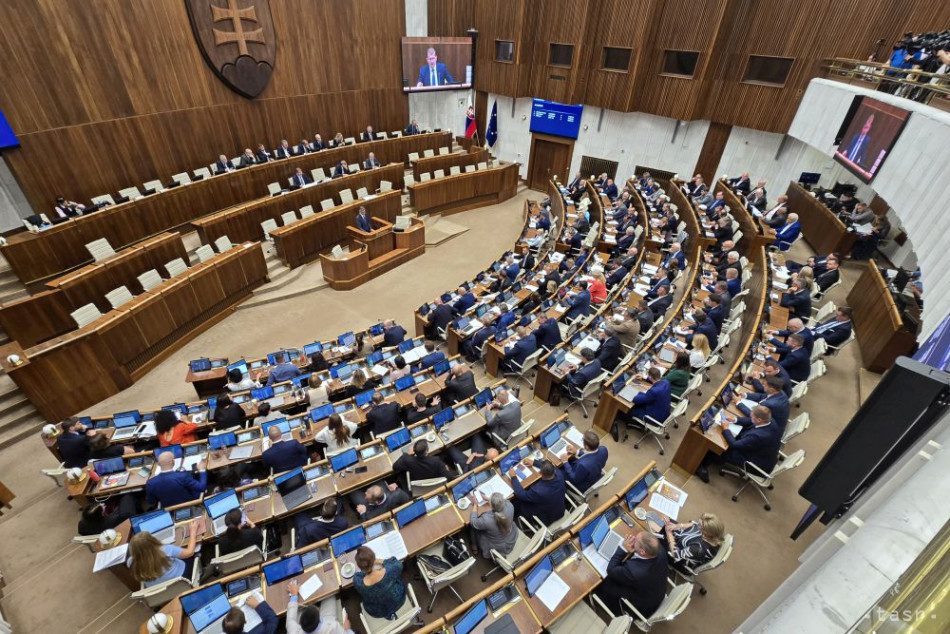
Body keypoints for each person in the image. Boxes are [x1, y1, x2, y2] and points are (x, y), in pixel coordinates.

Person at [696, 405, 781, 483]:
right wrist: (735, 420)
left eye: (752, 416)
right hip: (764, 457)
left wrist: (726, 429)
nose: (750, 416)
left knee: (723, 447)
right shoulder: (770, 420)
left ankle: (702, 467)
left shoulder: (758, 436)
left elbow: (734, 444)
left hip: (755, 464)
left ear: (759, 420)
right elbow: (750, 421)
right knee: (732, 438)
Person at [595, 532, 669, 617]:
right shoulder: (660, 550)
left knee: (603, 583)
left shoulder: (635, 572)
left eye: (635, 540)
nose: (632, 538)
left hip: (643, 606)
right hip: (655, 592)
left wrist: (623, 548)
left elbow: (611, 570)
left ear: (642, 552)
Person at [128, 525, 201, 588]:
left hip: (162, 592)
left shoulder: (131, 563)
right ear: (152, 540)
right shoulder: (165, 550)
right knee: (195, 551)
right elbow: (190, 552)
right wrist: (193, 531)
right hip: (183, 578)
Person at [354, 546, 407, 619]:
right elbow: (397, 563)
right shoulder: (390, 570)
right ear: (374, 558)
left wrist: (366, 568)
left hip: (377, 612)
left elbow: (357, 575)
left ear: (359, 566)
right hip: (398, 600)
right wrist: (379, 561)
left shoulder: (358, 583)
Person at [285, 580, 352, 634]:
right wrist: (346, 629)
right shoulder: (332, 627)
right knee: (330, 595)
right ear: (319, 618)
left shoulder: (293, 631)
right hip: (328, 620)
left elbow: (290, 619)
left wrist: (294, 596)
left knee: (296, 610)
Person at [511, 460, 565, 525]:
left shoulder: (538, 490)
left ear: (540, 472)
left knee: (515, 501)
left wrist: (513, 477)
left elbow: (520, 494)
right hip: (560, 511)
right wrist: (534, 463)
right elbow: (551, 467)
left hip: (547, 519)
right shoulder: (559, 474)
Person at [470, 492, 517, 558]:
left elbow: (473, 522)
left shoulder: (487, 520)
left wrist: (475, 505)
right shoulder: (510, 505)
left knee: (473, 528)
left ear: (491, 506)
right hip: (510, 537)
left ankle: (474, 546)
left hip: (497, 546)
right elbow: (502, 502)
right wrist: (491, 499)